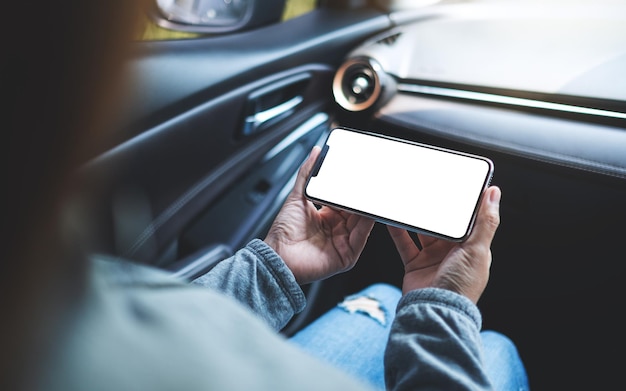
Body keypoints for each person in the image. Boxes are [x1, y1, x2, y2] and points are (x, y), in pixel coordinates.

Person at [1, 1, 528, 390]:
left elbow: (168, 325)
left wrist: (272, 268)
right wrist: (440, 308)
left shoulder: (49, 301)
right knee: (492, 348)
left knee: (383, 301)